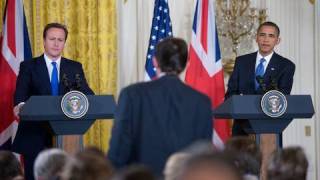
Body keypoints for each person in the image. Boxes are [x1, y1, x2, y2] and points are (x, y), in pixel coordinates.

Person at [107, 37, 213, 176]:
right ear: (187, 62)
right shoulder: (202, 102)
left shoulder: (131, 94)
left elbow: (118, 149)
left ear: (155, 61)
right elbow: (204, 154)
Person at [13, 22, 94, 180]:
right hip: (35, 135)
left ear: (64, 42)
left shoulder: (74, 67)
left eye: (60, 40)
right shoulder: (28, 66)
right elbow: (20, 95)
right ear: (44, 41)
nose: (56, 43)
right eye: (52, 39)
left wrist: (91, 101)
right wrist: (21, 106)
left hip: (66, 135)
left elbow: (87, 94)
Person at [225, 21, 295, 136]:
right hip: (241, 128)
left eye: (271, 36)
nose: (266, 40)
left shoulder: (286, 66)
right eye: (262, 35)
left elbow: (282, 97)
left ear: (277, 41)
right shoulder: (241, 62)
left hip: (269, 127)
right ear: (256, 38)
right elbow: (230, 93)